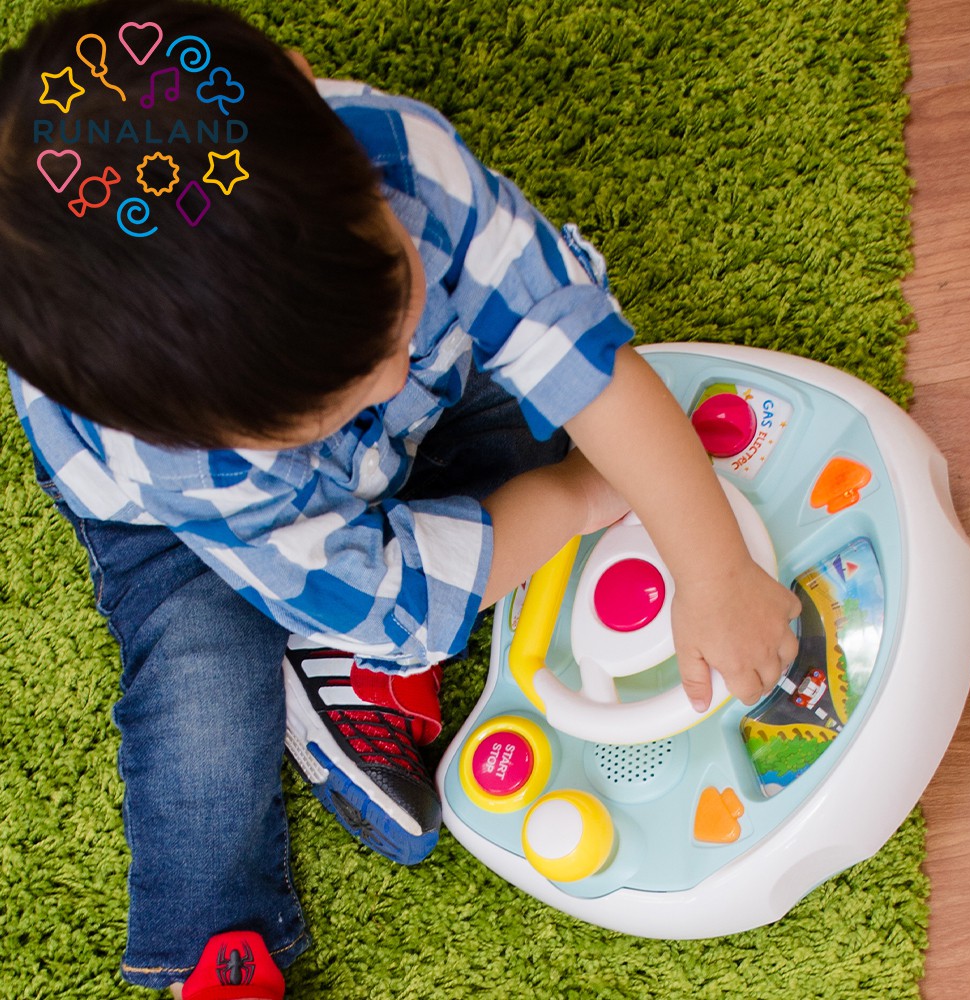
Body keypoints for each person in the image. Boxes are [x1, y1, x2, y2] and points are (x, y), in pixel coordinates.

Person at [0, 0, 801, 995]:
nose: (385, 373)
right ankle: (217, 944)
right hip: (200, 525)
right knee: (201, 672)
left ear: (314, 101)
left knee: (564, 421)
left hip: (422, 409)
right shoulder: (179, 458)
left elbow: (573, 349)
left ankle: (344, 656)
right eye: (336, 397)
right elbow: (398, 598)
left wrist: (714, 566)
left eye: (398, 291)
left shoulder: (400, 157)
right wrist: (570, 499)